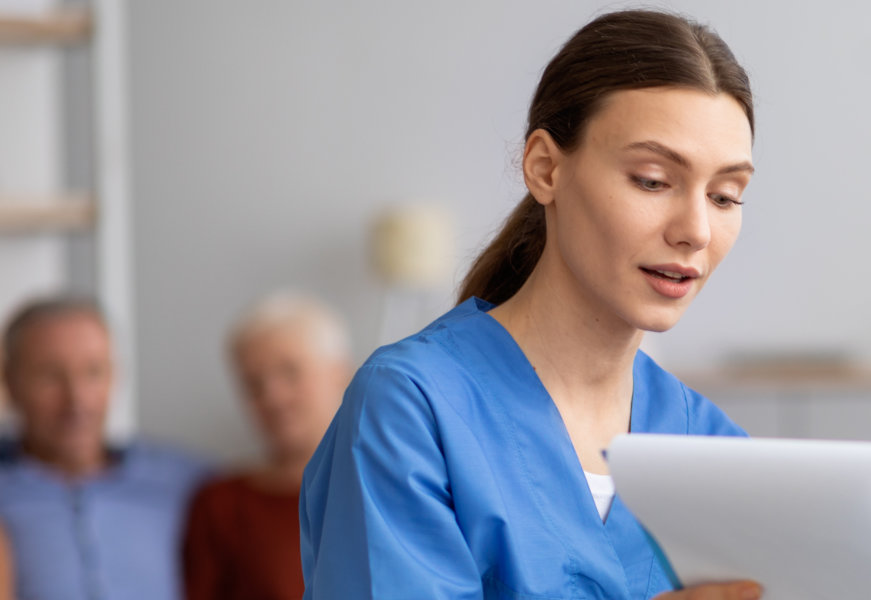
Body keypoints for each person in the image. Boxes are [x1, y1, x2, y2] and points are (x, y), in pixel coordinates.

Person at [300, 9, 763, 600]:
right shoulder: (411, 410)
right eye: (652, 180)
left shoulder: (716, 452)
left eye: (726, 196)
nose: (695, 230)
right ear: (545, 168)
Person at [0, 298, 208, 600]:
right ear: (9, 382)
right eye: (50, 376)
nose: (77, 400)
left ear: (115, 376)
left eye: (94, 372)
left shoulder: (183, 482)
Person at [183, 292, 351, 600]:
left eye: (290, 371)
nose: (272, 397)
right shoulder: (221, 505)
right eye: (253, 383)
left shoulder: (391, 487)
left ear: (341, 372)